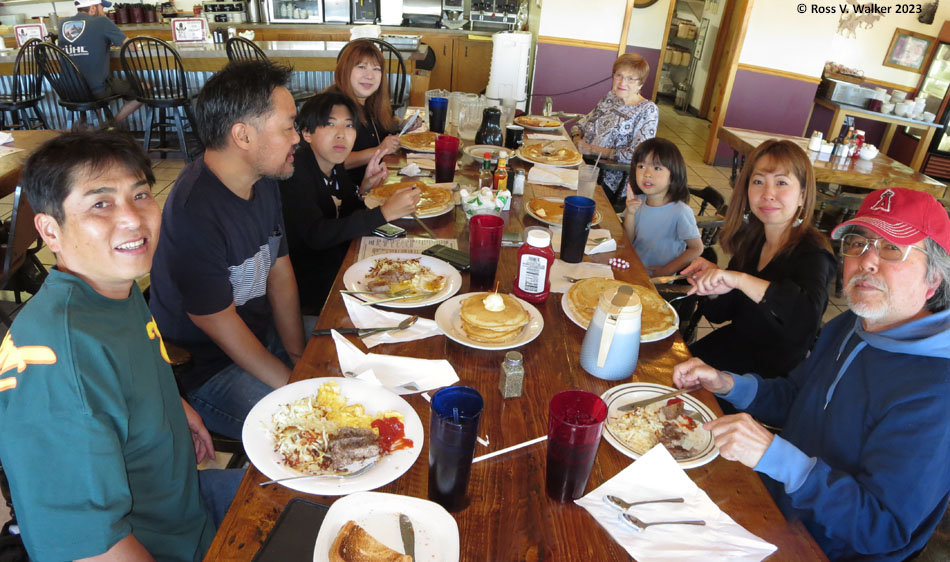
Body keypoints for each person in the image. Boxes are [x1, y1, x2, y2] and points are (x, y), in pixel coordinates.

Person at [0, 130, 242, 560]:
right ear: (50, 231)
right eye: (101, 203)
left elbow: (129, 368)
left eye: (141, 194)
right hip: (159, 544)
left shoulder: (113, 285)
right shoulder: (59, 361)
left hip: (184, 505)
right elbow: (90, 549)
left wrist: (174, 409)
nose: (132, 218)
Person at [673, 187, 950, 561]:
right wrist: (727, 383)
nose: (866, 261)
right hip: (773, 500)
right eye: (858, 243)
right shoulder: (851, 326)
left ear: (934, 277)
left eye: (890, 248)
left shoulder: (937, 391)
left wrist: (776, 457)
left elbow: (883, 529)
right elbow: (797, 399)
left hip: (824, 546)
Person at [149, 60, 306, 440]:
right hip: (205, 370)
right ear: (243, 135)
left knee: (351, 358)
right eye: (288, 127)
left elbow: (280, 274)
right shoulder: (194, 211)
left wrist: (301, 358)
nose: (298, 138)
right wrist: (296, 386)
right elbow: (220, 323)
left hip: (259, 332)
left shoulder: (263, 179)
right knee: (312, 431)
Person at [682, 139, 836, 379]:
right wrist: (714, 285)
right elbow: (721, 314)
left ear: (802, 196)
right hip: (733, 349)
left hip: (769, 379)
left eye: (781, 183)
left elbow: (804, 320)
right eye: (758, 182)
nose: (767, 194)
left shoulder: (814, 253)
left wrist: (740, 280)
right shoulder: (753, 240)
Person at [279, 92, 420, 316]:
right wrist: (383, 213)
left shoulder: (332, 164)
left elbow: (346, 212)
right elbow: (316, 235)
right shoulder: (297, 173)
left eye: (349, 126)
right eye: (330, 125)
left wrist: (363, 188)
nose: (341, 136)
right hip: (316, 294)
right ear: (306, 133)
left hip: (342, 268)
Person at [570, 53, 658, 198]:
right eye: (619, 75)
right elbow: (581, 124)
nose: (622, 83)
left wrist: (592, 149)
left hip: (609, 179)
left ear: (640, 83)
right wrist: (577, 138)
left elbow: (638, 155)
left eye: (630, 78)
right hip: (584, 164)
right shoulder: (611, 96)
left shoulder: (647, 110)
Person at [622, 137, 702, 277]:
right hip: (632, 269)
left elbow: (696, 248)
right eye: (641, 166)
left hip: (656, 281)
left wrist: (667, 270)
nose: (647, 174)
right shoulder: (638, 201)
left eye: (657, 168)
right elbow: (628, 242)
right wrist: (630, 214)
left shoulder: (680, 211)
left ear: (673, 175)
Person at [327, 40, 402, 186]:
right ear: (346, 70)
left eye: (376, 69)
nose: (370, 76)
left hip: (374, 182)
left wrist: (401, 123)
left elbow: (383, 125)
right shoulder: (334, 107)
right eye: (361, 67)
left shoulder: (369, 101)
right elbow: (334, 160)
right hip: (347, 194)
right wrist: (379, 150)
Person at [58, 0, 141, 123]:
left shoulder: (63, 23)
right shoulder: (102, 21)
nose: (104, 12)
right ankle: (110, 124)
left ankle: (93, 128)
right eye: (102, 8)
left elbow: (86, 40)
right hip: (97, 90)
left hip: (68, 91)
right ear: (92, 8)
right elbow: (132, 47)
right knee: (143, 90)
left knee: (94, 92)